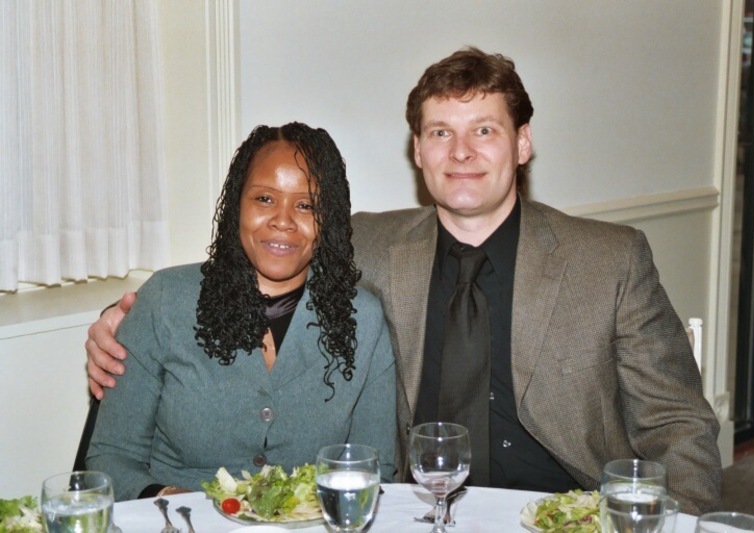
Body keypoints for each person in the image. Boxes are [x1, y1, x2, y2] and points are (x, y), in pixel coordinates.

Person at [84, 48, 721, 513]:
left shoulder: (609, 260)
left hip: (564, 512)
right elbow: (265, 257)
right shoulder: (370, 245)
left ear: (523, 143)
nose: (461, 152)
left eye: (484, 130)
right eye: (441, 132)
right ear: (418, 150)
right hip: (419, 512)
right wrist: (121, 317)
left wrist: (681, 522)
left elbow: (678, 423)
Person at [85, 123, 396, 501]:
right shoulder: (166, 300)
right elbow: (110, 458)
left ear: (327, 219)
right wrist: (177, 502)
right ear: (237, 205)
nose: (283, 220)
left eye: (306, 205)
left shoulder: (362, 319)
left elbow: (376, 469)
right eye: (265, 199)